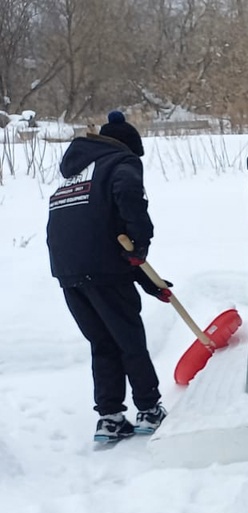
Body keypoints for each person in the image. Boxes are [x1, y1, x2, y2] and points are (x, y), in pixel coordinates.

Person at [48, 111, 171, 443]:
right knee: (129, 340)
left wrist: (149, 282)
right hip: (102, 268)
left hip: (68, 271)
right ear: (128, 147)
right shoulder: (121, 163)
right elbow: (128, 202)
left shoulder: (76, 172)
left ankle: (110, 418)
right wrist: (141, 242)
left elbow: (99, 230)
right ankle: (148, 409)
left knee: (103, 342)